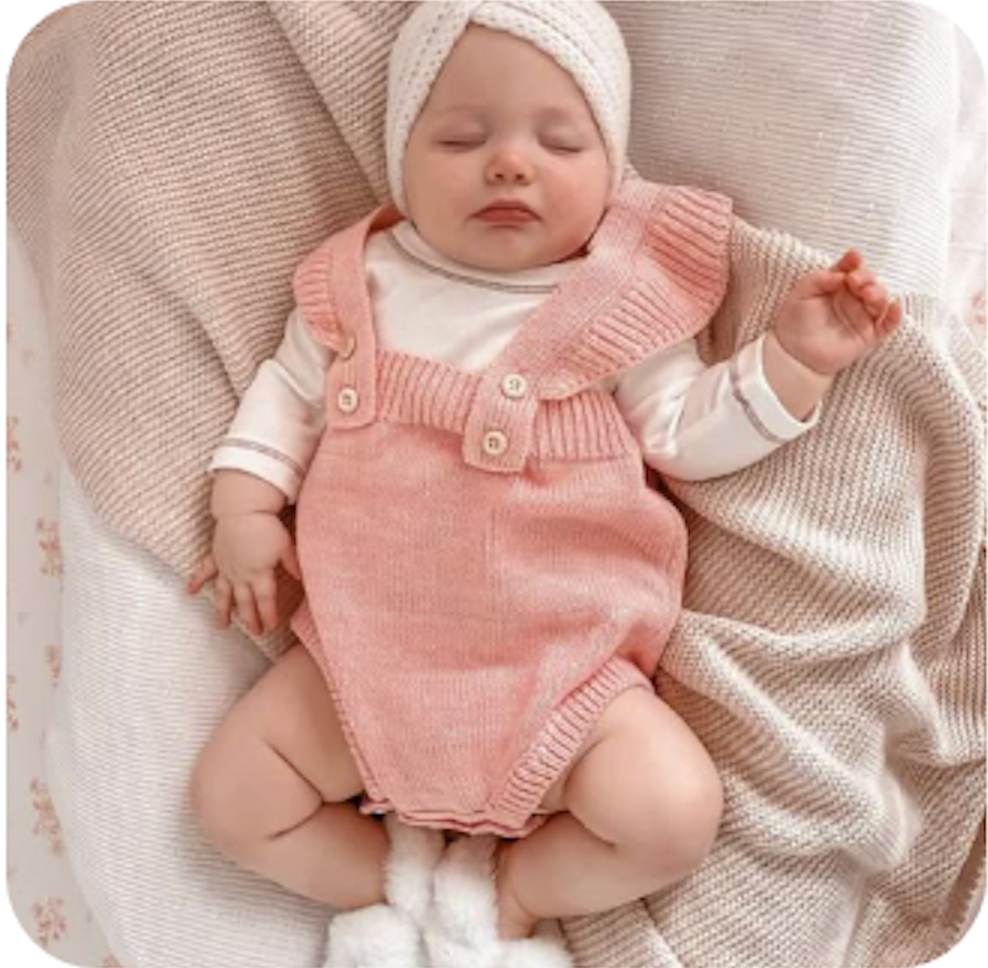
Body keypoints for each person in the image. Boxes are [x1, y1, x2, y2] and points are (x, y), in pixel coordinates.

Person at [186, 0, 900, 962]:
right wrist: (242, 507)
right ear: (399, 158)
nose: (510, 164)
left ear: (612, 168)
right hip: (362, 667)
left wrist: (794, 362)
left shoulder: (617, 301)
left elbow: (685, 433)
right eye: (461, 138)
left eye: (560, 142)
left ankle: (513, 890)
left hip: (563, 676)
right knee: (233, 799)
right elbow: (284, 397)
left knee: (671, 811)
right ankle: (396, 882)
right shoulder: (359, 285)